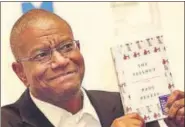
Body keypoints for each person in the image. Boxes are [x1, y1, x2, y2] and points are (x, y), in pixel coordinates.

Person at [1, 9, 184, 127]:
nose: (61, 61)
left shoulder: (126, 106)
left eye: (66, 46)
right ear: (21, 73)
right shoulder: (7, 122)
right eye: (42, 55)